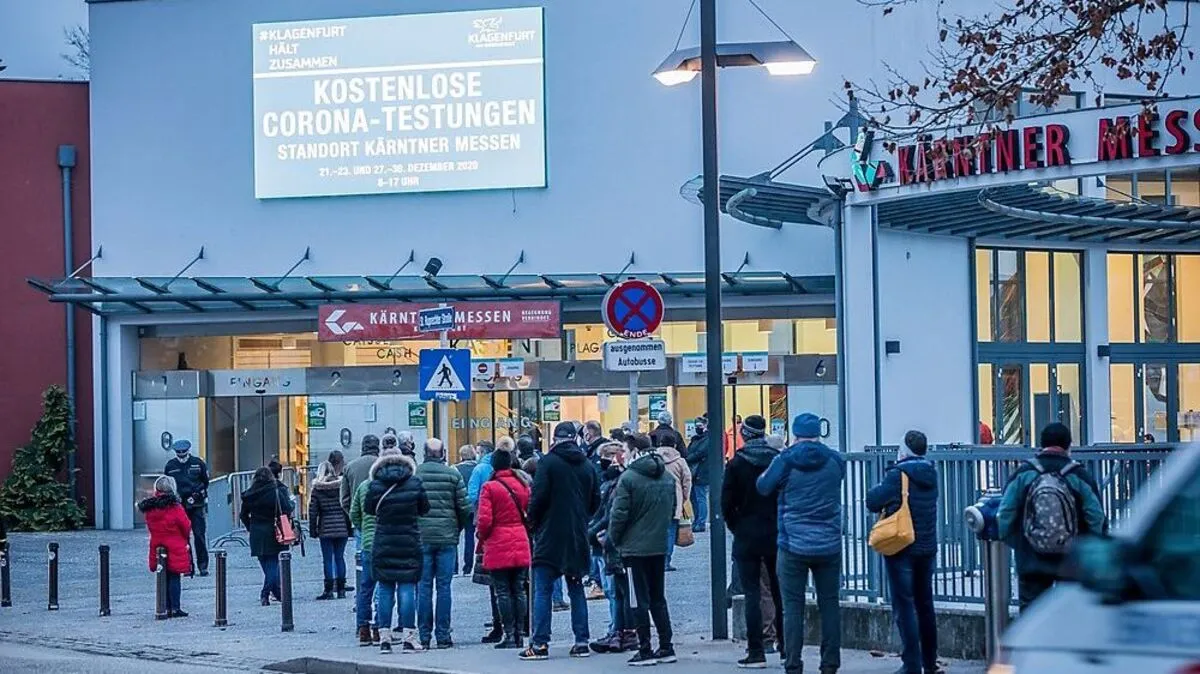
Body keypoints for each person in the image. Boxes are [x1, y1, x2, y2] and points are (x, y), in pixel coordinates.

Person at [757, 413, 845, 674]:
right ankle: (830, 663)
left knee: (792, 607)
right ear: (819, 433)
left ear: (794, 434)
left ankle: (793, 663)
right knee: (830, 605)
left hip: (792, 544)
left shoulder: (784, 460)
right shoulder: (835, 460)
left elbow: (763, 486)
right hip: (829, 544)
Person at [998, 422, 1106, 610]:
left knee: (1031, 616)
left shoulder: (1024, 473)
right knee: (1071, 614)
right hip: (1071, 561)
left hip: (1031, 560)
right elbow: (1096, 517)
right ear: (1068, 446)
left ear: (1042, 444)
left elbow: (1004, 514)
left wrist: (1020, 543)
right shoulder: (1078, 475)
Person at [520, 421, 601, 661]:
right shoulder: (587, 464)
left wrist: (532, 521)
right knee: (576, 588)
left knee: (543, 589)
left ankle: (540, 644)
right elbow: (595, 500)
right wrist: (582, 518)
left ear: (554, 439)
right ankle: (581, 641)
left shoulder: (548, 462)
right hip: (576, 534)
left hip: (550, 534)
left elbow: (539, 496)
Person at [866, 430, 940, 674]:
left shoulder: (898, 475)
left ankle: (911, 664)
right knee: (925, 604)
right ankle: (930, 663)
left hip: (902, 547)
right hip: (926, 547)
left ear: (904, 450)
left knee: (905, 605)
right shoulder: (932, 473)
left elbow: (873, 501)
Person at [609, 432, 678, 666]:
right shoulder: (667, 476)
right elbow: (672, 509)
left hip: (633, 549)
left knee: (637, 599)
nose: (623, 455)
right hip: (658, 546)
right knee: (658, 596)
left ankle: (645, 649)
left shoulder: (628, 478)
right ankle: (666, 646)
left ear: (634, 452)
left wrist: (613, 540)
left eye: (626, 451)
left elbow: (619, 515)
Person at [722, 420, 783, 668]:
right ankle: (786, 647)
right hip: (776, 531)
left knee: (752, 593)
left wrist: (738, 526)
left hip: (747, 533)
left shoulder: (737, 463)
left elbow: (726, 503)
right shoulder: (778, 461)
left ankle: (756, 650)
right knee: (779, 591)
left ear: (745, 435)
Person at [366, 448, 431, 654]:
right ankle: (409, 638)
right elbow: (425, 508)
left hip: (384, 541)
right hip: (409, 541)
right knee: (407, 589)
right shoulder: (414, 483)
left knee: (385, 589)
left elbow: (368, 509)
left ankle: (385, 638)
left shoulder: (375, 485)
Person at [416, 437, 470, 649]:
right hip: (447, 537)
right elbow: (465, 508)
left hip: (422, 538)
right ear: (444, 454)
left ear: (424, 453)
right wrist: (457, 529)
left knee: (424, 587)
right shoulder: (452, 475)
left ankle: (423, 635)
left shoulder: (416, 474)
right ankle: (443, 635)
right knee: (444, 587)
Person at [477, 448, 533, 650]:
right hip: (520, 539)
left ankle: (509, 633)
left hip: (498, 541)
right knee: (518, 589)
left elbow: (484, 520)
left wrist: (481, 537)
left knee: (502, 591)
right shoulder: (523, 484)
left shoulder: (490, 487)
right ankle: (520, 633)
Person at [588, 441, 638, 654]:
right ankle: (619, 630)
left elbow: (612, 515)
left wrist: (595, 534)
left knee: (618, 591)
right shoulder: (612, 482)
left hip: (612, 543)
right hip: (609, 542)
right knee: (617, 591)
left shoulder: (618, 484)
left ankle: (620, 631)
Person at [137, 475, 192, 618]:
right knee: (175, 576)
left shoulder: (150, 507)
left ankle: (164, 606)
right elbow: (185, 525)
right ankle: (175, 607)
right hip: (175, 543)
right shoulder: (175, 507)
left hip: (157, 543)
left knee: (163, 575)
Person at [240, 466, 293, 606]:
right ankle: (265, 593)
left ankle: (276, 592)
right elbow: (287, 508)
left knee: (265, 565)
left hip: (256, 531)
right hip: (273, 530)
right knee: (273, 565)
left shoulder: (249, 494)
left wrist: (250, 527)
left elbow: (243, 515)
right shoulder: (275, 491)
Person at [309, 453, 352, 601]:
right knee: (340, 557)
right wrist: (349, 527)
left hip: (325, 527)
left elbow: (313, 511)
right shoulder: (340, 486)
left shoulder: (317, 489)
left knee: (327, 559)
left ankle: (328, 590)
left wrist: (313, 529)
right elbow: (346, 505)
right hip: (341, 527)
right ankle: (341, 589)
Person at [163, 439, 209, 576]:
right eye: (179, 454)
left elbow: (205, 483)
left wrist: (196, 495)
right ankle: (187, 566)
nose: (182, 457)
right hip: (179, 505)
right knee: (183, 538)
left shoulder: (198, 463)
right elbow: (167, 485)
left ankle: (203, 566)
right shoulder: (170, 466)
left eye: (184, 454)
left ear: (188, 451)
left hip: (196, 504)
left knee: (199, 535)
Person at [350, 455, 381, 646]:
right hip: (385, 541)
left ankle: (363, 629)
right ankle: (379, 628)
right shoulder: (388, 487)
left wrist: (362, 529)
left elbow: (354, 513)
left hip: (368, 542)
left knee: (365, 587)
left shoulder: (363, 487)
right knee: (384, 587)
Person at [656, 433, 691, 572]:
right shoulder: (680, 461)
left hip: (656, 499)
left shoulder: (654, 458)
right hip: (674, 499)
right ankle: (666, 561)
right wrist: (684, 497)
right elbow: (687, 481)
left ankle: (657, 560)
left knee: (657, 531)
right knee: (670, 531)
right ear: (675, 445)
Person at [455, 445, 480, 576]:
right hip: (472, 507)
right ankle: (468, 567)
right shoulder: (478, 468)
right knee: (469, 537)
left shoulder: (455, 469)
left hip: (458, 507)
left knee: (455, 537)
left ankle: (454, 568)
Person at [341, 434, 381, 515]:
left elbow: (344, 499)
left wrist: (353, 515)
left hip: (359, 516)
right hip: (381, 517)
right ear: (377, 447)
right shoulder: (383, 464)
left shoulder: (349, 467)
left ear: (362, 447)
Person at [686, 415, 711, 533]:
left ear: (706, 426)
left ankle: (701, 522)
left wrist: (687, 458)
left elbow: (700, 453)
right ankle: (697, 520)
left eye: (700, 426)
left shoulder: (708, 439)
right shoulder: (695, 439)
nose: (697, 428)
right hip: (693, 472)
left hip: (702, 471)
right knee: (694, 498)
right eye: (696, 426)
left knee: (700, 497)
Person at [468, 440, 498, 512]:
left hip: (482, 507)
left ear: (483, 452)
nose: (476, 455)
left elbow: (473, 493)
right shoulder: (499, 464)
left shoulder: (479, 468)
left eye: (478, 453)